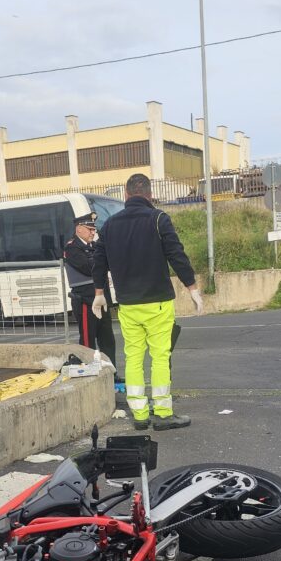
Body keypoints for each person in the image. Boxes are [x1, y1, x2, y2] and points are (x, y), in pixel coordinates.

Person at [92, 173, 203, 431]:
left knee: (133, 358)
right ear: (150, 195)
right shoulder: (158, 219)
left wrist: (99, 293)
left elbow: (99, 261)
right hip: (158, 303)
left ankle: (140, 415)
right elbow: (177, 255)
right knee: (160, 357)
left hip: (128, 305)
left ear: (126, 195)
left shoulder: (109, 225)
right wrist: (192, 288)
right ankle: (163, 413)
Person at [63, 211, 118, 374]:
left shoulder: (94, 247)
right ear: (79, 229)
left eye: (94, 230)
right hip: (86, 301)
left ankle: (111, 373)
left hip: (102, 299)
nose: (93, 233)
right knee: (88, 341)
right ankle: (90, 372)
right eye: (89, 229)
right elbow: (90, 268)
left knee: (108, 340)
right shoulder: (72, 248)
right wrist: (101, 262)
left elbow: (106, 262)